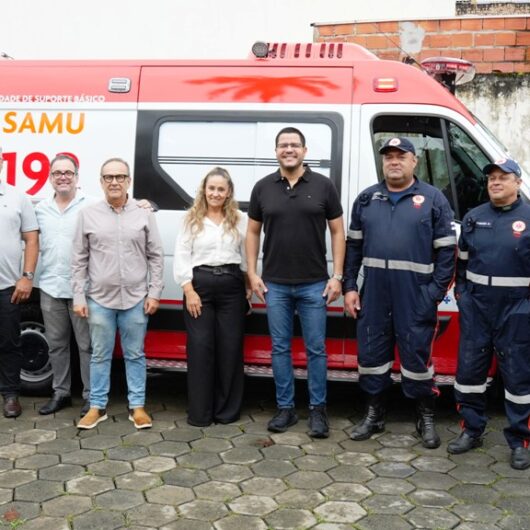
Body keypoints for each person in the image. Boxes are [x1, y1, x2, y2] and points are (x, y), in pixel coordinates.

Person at [343, 137, 456, 449]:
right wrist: (350, 287)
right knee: (372, 356)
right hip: (375, 293)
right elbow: (353, 248)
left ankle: (425, 416)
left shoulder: (433, 199)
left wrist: (432, 294)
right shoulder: (367, 199)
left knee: (417, 357)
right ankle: (374, 414)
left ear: (414, 161)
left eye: (400, 156)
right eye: (389, 157)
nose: (394, 161)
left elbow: (447, 254)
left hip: (414, 295)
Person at [247, 127, 345, 438]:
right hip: (275, 284)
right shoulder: (263, 188)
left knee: (316, 349)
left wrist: (337, 276)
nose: (288, 150)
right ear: (276, 151)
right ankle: (285, 409)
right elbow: (252, 232)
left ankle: (318, 410)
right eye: (283, 145)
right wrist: (251, 272)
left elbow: (338, 232)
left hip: (314, 283)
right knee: (280, 349)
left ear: (304, 150)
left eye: (294, 145)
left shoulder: (323, 185)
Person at [448, 159, 530, 470]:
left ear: (517, 183)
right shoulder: (473, 218)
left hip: (517, 309)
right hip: (478, 308)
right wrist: (463, 298)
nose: (495, 182)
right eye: (491, 178)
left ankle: (520, 441)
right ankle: (471, 429)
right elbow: (463, 265)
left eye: (503, 178)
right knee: (469, 373)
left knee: (518, 377)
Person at [72, 158, 164, 430]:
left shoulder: (143, 213)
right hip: (99, 299)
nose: (114, 182)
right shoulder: (87, 215)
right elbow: (78, 259)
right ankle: (97, 407)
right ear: (101, 182)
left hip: (136, 298)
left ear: (129, 181)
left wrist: (154, 292)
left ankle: (137, 407)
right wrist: (79, 296)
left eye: (120, 177)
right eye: (108, 177)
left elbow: (156, 256)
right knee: (100, 354)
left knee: (135, 354)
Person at [174, 167, 249, 426]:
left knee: (230, 348)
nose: (215, 193)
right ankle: (200, 413)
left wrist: (248, 286)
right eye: (211, 188)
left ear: (228, 193)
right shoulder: (191, 218)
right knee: (200, 348)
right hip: (200, 287)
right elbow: (182, 255)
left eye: (221, 189)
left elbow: (247, 255)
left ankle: (226, 412)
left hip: (231, 287)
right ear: (204, 190)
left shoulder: (239, 218)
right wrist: (189, 291)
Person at [35, 155, 93, 416]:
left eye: (68, 172)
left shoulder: (91, 206)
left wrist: (144, 204)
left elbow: (122, 207)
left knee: (87, 346)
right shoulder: (40, 208)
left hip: (83, 289)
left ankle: (92, 396)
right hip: (50, 286)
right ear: (50, 177)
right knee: (56, 345)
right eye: (57, 172)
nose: (63, 176)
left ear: (77, 177)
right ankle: (61, 393)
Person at [0, 146, 39, 418]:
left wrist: (26, 278)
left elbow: (32, 239)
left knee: (9, 342)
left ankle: (10, 394)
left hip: (7, 287)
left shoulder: (17, 197)